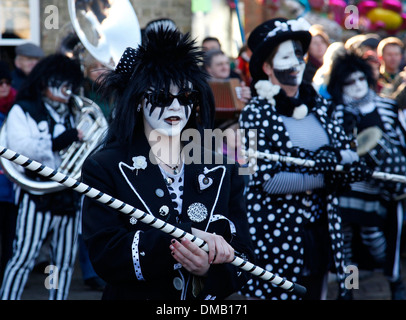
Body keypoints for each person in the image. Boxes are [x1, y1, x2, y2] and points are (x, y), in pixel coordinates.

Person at [80, 27, 254, 300]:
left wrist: (209, 269)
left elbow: (244, 253)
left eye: (185, 97)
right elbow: (105, 255)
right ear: (138, 102)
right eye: (161, 97)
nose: (175, 107)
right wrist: (185, 238)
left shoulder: (222, 167)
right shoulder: (104, 167)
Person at [238, 17, 370, 300]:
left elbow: (345, 152)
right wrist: (325, 175)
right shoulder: (253, 113)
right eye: (287, 57)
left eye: (299, 55)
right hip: (276, 234)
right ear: (267, 67)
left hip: (323, 227)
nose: (297, 63)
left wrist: (346, 164)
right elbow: (264, 180)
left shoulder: (320, 105)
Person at [0, 54, 84, 300]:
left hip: (68, 195)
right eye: (62, 82)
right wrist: (58, 142)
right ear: (45, 82)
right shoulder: (23, 110)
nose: (67, 89)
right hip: (36, 193)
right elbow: (18, 148)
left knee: (64, 260)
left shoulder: (73, 112)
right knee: (24, 256)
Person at [327, 52, 406, 300]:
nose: (358, 85)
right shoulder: (336, 112)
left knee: (373, 236)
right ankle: (349, 288)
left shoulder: (387, 105)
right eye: (351, 81)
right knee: (346, 240)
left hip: (381, 184)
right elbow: (335, 148)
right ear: (341, 85)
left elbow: (400, 141)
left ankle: (394, 279)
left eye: (361, 78)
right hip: (348, 184)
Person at [0, 61, 17, 283]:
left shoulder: (17, 108)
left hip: (12, 190)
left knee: (10, 241)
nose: (4, 87)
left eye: (6, 83)